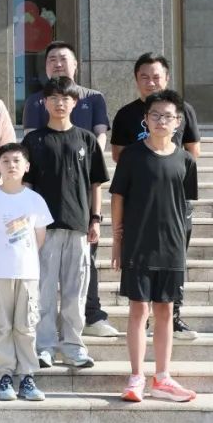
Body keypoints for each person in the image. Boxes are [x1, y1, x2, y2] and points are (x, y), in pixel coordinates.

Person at [21, 41, 115, 339]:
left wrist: (96, 218)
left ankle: (76, 341)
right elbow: (27, 181)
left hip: (79, 219)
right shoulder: (34, 136)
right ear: (45, 102)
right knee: (45, 287)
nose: (59, 103)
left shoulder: (87, 134)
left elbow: (96, 182)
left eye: (64, 58)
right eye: (52, 59)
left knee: (78, 286)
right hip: (44, 224)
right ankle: (46, 343)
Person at [111, 90, 199, 403]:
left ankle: (162, 378)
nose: (161, 121)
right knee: (139, 309)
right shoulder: (132, 155)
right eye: (155, 115)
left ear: (178, 122)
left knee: (165, 310)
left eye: (168, 116)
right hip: (138, 244)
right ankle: (136, 377)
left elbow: (184, 205)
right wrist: (117, 242)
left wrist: (182, 245)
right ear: (146, 120)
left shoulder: (186, 160)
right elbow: (118, 198)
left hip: (172, 246)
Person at [110, 52, 201, 340]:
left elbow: (193, 150)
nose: (151, 82)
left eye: (156, 76)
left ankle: (174, 316)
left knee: (173, 265)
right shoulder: (126, 114)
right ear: (136, 80)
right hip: (140, 198)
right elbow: (117, 154)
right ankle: (146, 323)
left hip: (175, 200)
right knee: (140, 289)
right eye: (144, 77)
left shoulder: (183, 109)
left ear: (167, 78)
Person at [0, 143, 51, 402]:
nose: (11, 165)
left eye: (17, 160)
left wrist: (22, 258)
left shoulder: (35, 200)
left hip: (27, 272)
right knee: (1, 326)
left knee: (26, 326)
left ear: (26, 166)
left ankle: (27, 376)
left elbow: (40, 237)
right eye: (5, 161)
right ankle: (4, 376)